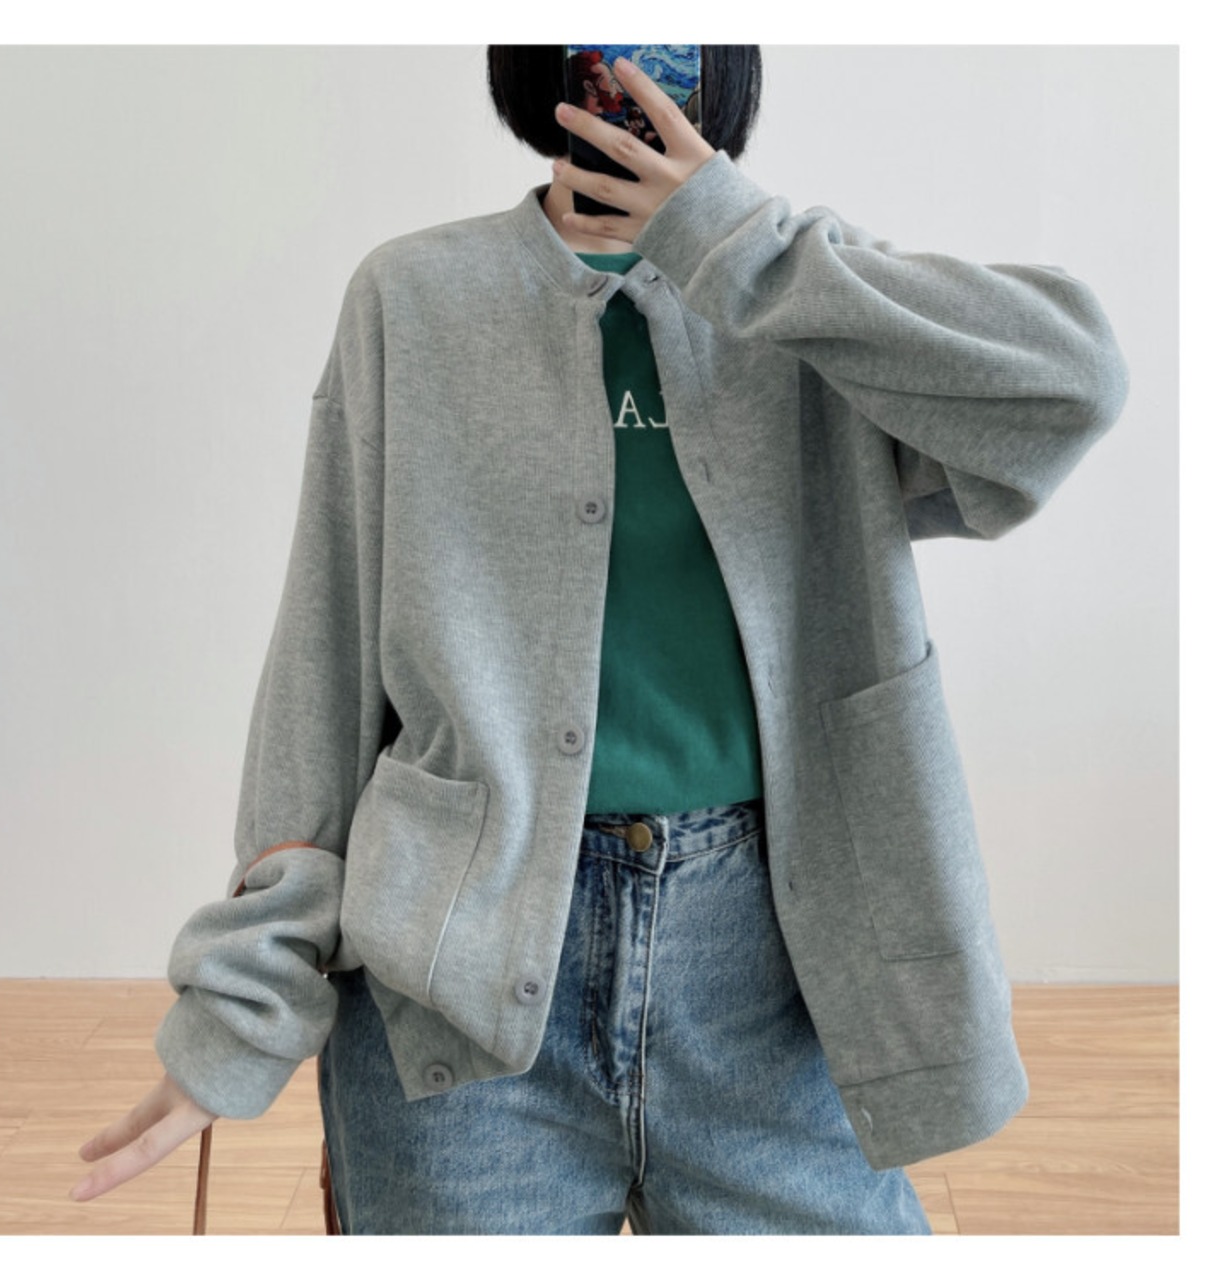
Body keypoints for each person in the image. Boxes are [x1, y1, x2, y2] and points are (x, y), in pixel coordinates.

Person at [71, 45, 1129, 1233]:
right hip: (458, 978)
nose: (632, 62)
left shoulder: (806, 297)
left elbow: (1073, 381)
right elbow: (325, 654)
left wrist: (734, 241)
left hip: (778, 974)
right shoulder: (413, 297)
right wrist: (245, 995)